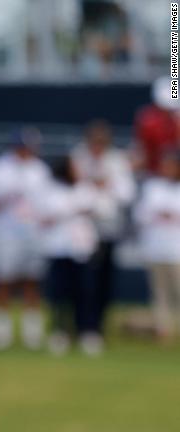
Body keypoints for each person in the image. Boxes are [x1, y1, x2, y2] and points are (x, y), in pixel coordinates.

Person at [71, 120, 135, 350]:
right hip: (81, 232)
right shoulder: (78, 157)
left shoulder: (117, 161)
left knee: (103, 282)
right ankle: (80, 327)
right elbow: (70, 189)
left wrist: (105, 185)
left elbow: (127, 194)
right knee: (82, 281)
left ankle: (97, 327)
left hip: (108, 231)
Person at [0, 127, 51, 350]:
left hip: (33, 232)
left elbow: (45, 203)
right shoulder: (0, 168)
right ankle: (1, 333)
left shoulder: (40, 170)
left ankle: (31, 333)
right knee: (4, 281)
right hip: (6, 233)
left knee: (32, 281)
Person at [37, 157, 100, 356]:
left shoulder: (85, 189)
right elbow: (48, 215)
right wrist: (72, 210)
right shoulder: (52, 191)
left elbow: (96, 208)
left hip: (82, 251)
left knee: (85, 292)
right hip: (59, 250)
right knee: (59, 294)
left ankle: (87, 331)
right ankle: (59, 332)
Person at [134, 150, 180, 344]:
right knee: (159, 293)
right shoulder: (152, 187)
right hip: (155, 248)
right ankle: (163, 330)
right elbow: (140, 214)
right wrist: (158, 214)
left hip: (177, 250)